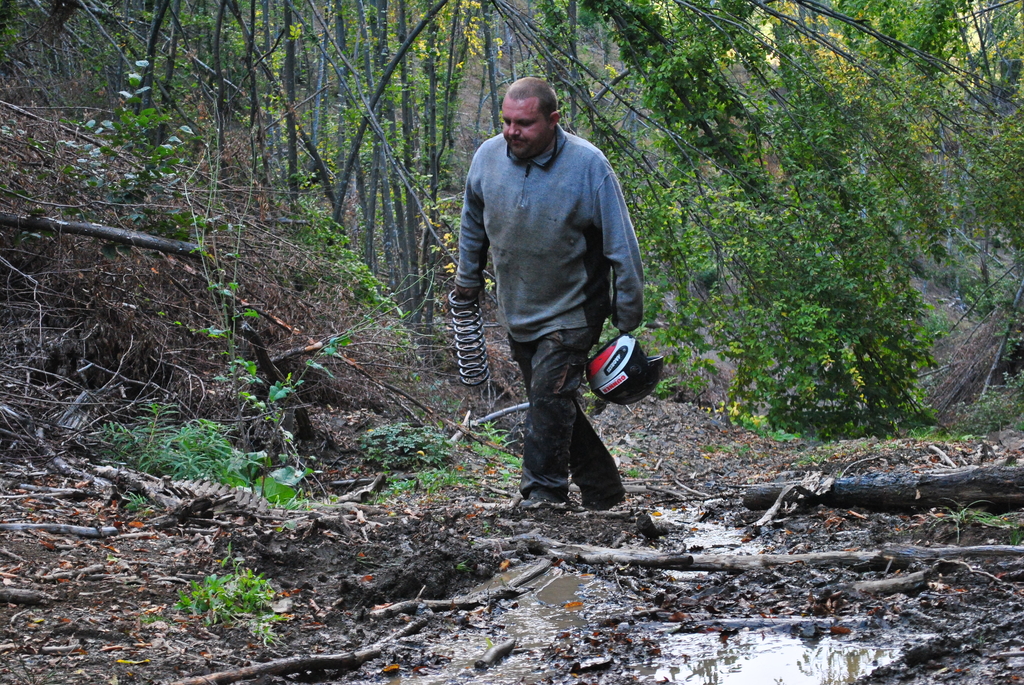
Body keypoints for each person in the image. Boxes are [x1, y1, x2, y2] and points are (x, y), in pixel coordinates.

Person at [454, 77, 645, 510]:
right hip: (518, 307)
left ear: (554, 120)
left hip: (573, 309)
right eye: (506, 121)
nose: (511, 132)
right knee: (553, 404)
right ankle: (604, 490)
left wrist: (627, 317)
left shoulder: (589, 166)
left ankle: (544, 493)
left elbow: (622, 245)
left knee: (547, 397)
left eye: (524, 123)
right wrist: (468, 279)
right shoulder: (487, 158)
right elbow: (471, 223)